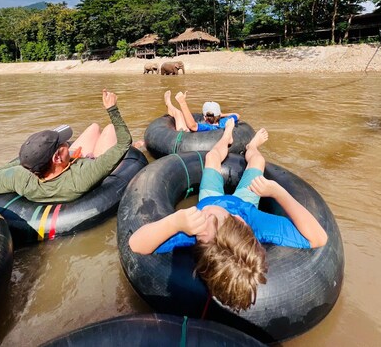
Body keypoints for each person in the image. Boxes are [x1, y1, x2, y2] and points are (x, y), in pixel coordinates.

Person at [129, 119, 328, 311]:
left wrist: (176, 222)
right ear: (240, 222)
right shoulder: (258, 224)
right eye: (210, 220)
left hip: (210, 198)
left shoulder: (196, 234)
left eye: (202, 226)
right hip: (246, 202)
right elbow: (319, 237)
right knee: (238, 159)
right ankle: (231, 139)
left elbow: (136, 244)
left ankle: (245, 145)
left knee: (219, 159)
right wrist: (278, 192)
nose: (201, 216)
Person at [0, 89, 132, 203]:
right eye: (62, 143)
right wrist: (112, 109)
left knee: (94, 127)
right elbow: (124, 142)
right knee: (110, 129)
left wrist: (25, 162)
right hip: (87, 164)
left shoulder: (21, 179)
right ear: (56, 157)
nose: (66, 143)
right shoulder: (82, 177)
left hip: (58, 167)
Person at [164, 90, 240, 132]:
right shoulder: (225, 122)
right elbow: (237, 115)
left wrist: (182, 103)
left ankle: (169, 104)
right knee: (179, 114)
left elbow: (192, 126)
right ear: (219, 115)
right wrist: (222, 115)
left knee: (178, 113)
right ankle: (170, 108)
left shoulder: (207, 127)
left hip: (190, 141)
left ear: (204, 117)